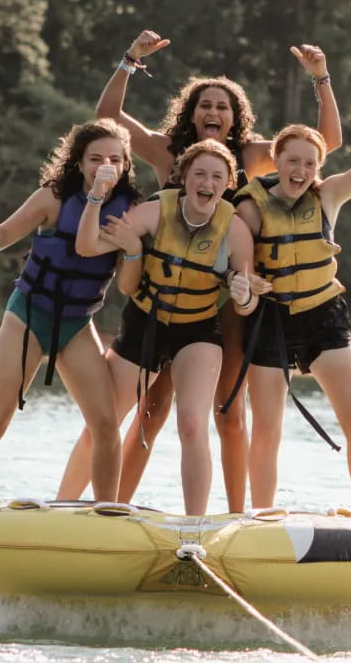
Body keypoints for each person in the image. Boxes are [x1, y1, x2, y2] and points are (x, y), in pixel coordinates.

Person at [57, 29, 342, 512]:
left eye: (223, 106)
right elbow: (107, 116)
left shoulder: (252, 155)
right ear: (191, 112)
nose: (213, 113)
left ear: (237, 117)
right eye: (205, 105)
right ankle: (108, 509)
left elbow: (324, 143)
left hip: (225, 300)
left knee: (226, 411)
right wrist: (130, 59)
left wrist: (321, 79)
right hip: (162, 293)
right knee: (148, 410)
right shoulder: (168, 151)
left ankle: (235, 517)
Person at [0, 118, 143, 513]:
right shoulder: (54, 197)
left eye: (115, 158)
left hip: (78, 323)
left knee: (106, 425)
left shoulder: (130, 210)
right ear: (79, 163)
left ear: (127, 164)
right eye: (95, 158)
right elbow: (3, 236)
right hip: (29, 315)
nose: (105, 165)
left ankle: (107, 514)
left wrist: (133, 247)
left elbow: (130, 278)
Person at [72, 139, 261, 515]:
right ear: (184, 178)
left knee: (192, 424)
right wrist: (98, 203)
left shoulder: (235, 231)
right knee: (103, 421)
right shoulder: (154, 212)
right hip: (145, 323)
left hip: (197, 331)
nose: (207, 182)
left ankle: (195, 527)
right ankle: (63, 505)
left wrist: (242, 296)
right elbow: (89, 245)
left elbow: (248, 302)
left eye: (217, 176)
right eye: (199, 173)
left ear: (227, 184)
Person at [233, 83, 351, 517]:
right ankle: (263, 518)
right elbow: (235, 258)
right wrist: (244, 280)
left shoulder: (328, 196)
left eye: (309, 163)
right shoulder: (250, 205)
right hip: (270, 323)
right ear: (277, 161)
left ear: (318, 167)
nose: (300, 170)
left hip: (324, 319)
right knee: (266, 429)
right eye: (292, 161)